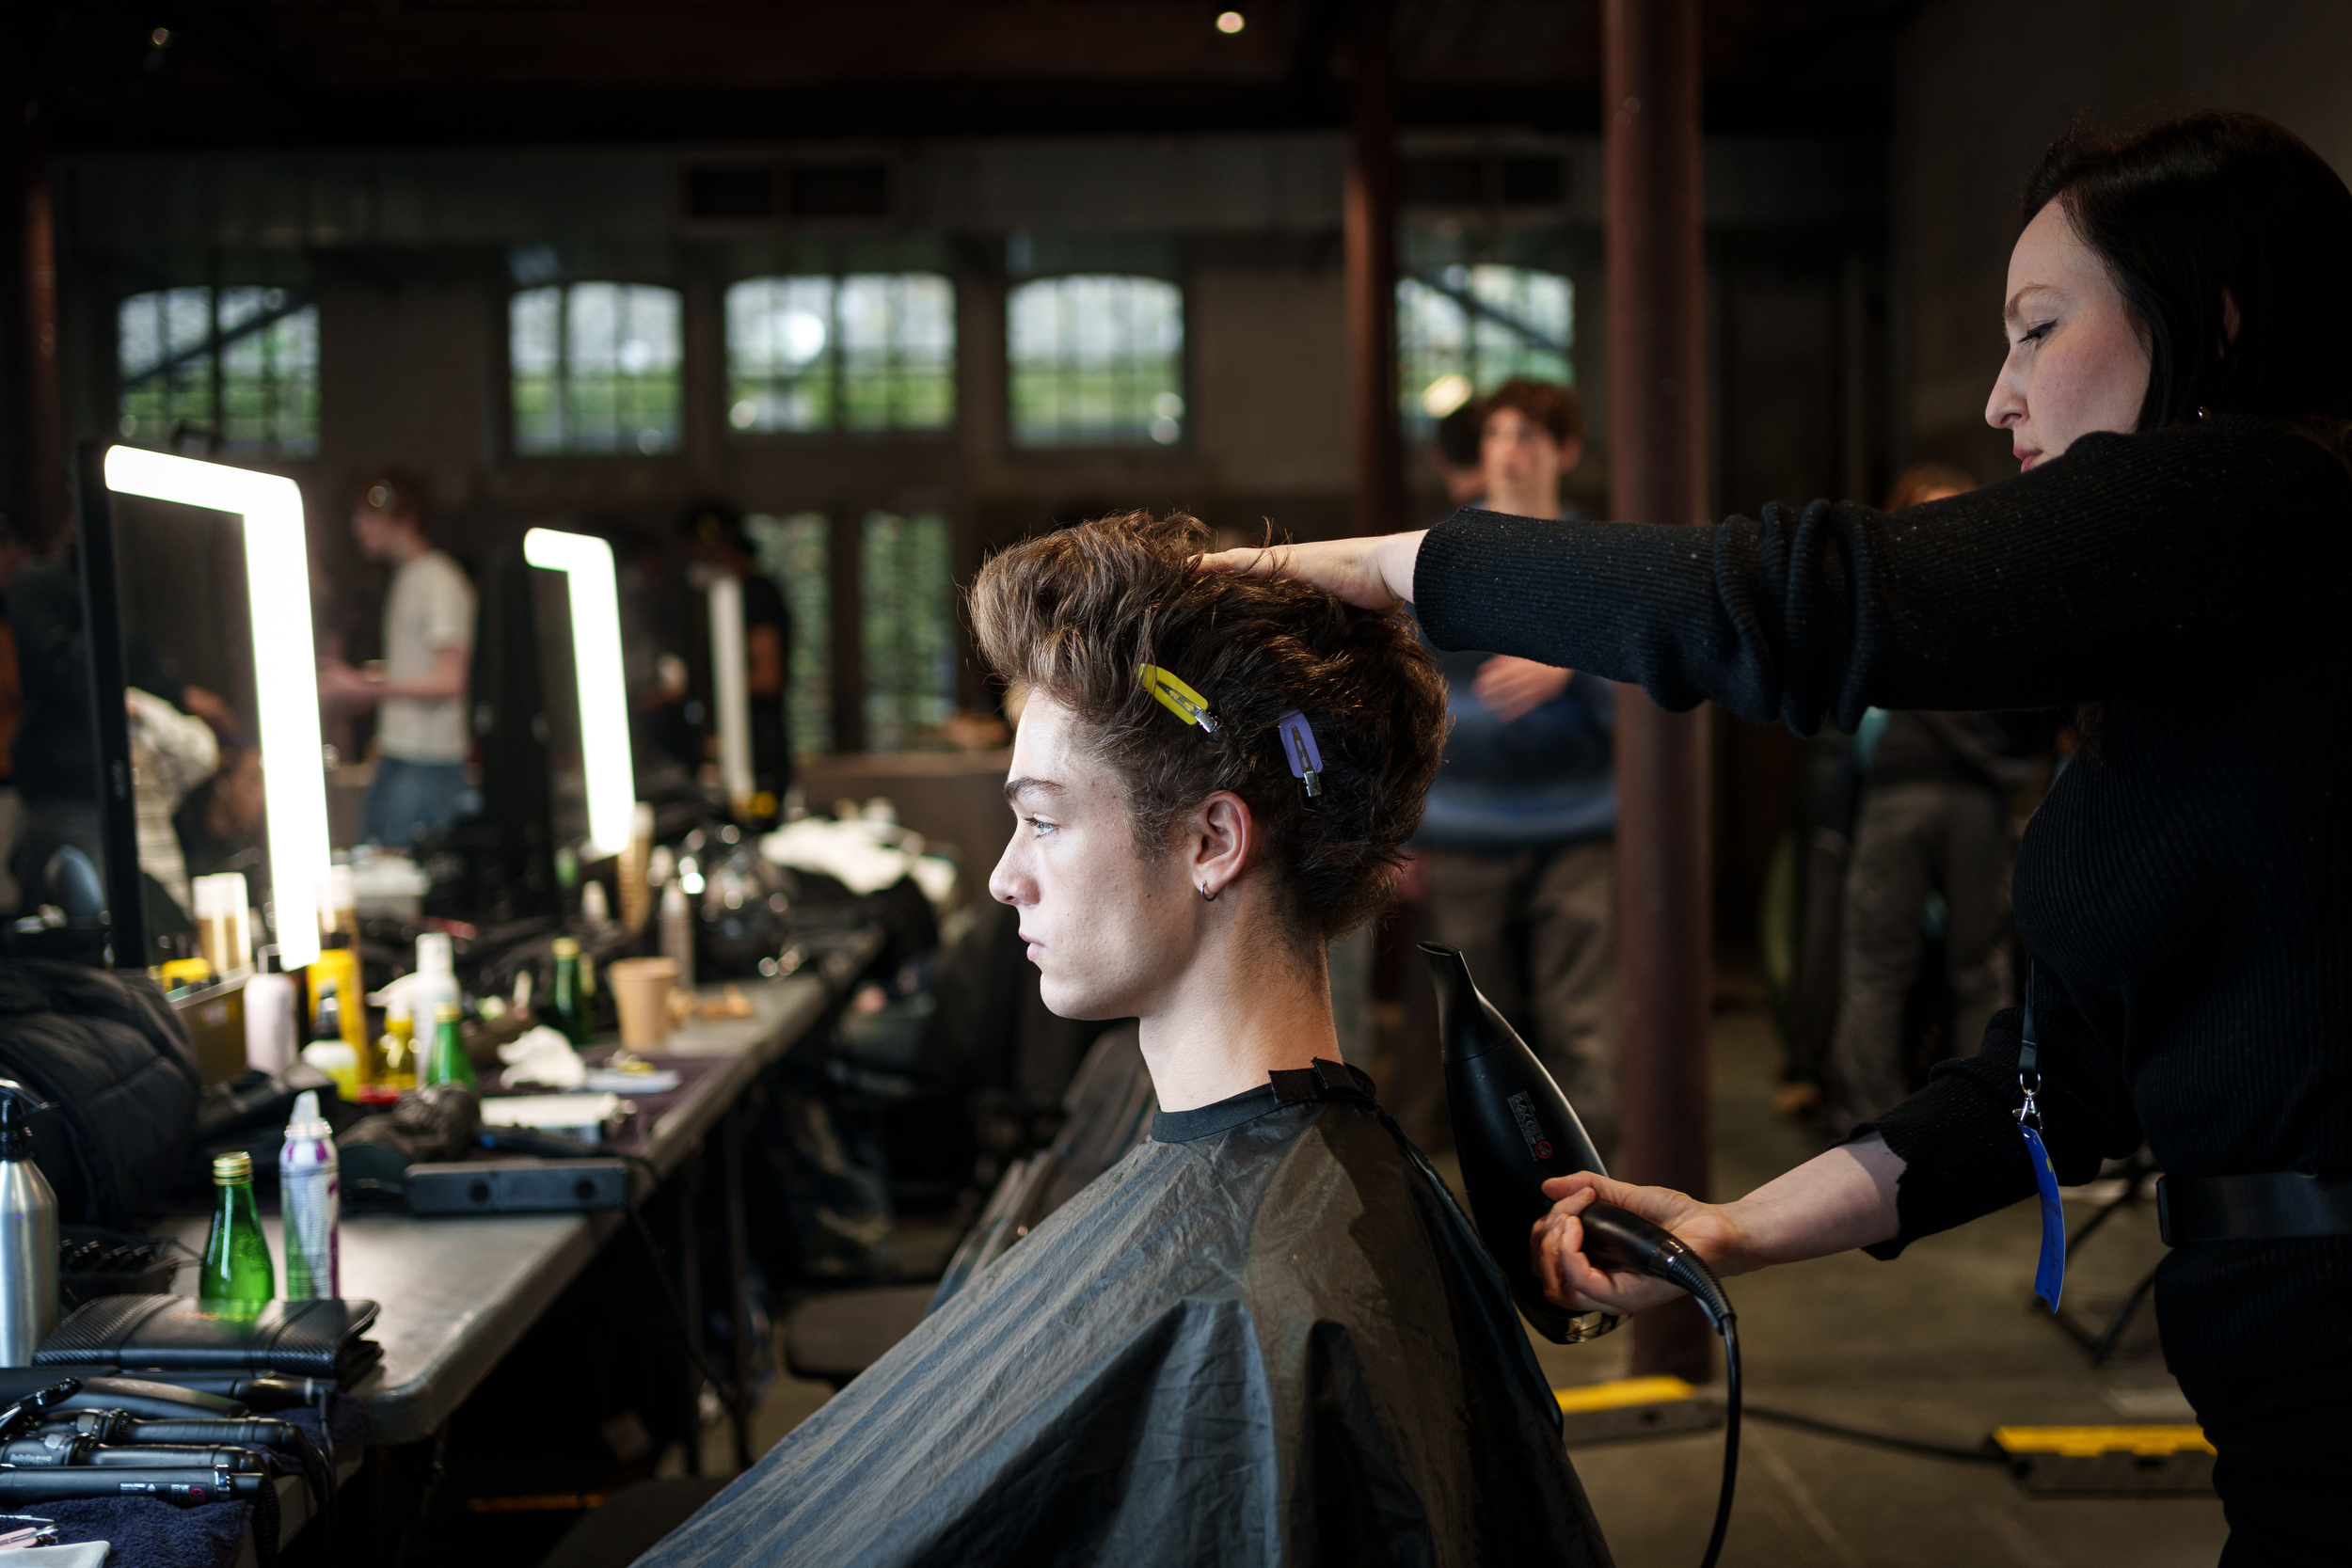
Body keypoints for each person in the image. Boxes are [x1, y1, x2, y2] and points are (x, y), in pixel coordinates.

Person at [1207, 113, 2352, 1564]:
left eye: (2038, 330)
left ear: (2220, 322)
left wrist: (1379, 566)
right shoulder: (2195, 667)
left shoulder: (2275, 496)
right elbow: (2053, 1082)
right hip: (2279, 1378)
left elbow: (1795, 602)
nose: (2003, 400)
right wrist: (1736, 1224)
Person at [637, 511, 1610, 1567]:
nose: (1005, 875)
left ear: (1210, 839)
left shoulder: (1262, 1310)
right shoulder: (1324, 1218)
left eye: (1043, 818)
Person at [1406, 377, 1620, 1160]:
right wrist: (1401, 829)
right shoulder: (1440, 557)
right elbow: (1403, 697)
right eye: (1498, 434)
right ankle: (1491, 1193)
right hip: (1465, 827)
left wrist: (1574, 665)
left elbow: (1652, 690)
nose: (1510, 450)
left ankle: (1593, 1189)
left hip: (1578, 822)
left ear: (1565, 452)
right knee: (1475, 1023)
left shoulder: (1601, 558)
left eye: (1530, 434)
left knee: (1582, 1021)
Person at [1824, 462, 2054, 1129]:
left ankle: (1873, 1123)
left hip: (1913, 792)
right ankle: (1979, 1125)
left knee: (1886, 963)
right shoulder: (2000, 602)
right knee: (1972, 968)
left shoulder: (1881, 596)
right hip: (1965, 796)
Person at [318, 473, 477, 848]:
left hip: (428, 762)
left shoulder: (438, 580)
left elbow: (451, 679)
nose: (358, 527)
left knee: (398, 881)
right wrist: (364, 687)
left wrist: (365, 687)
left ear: (405, 520)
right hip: (400, 754)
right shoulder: (409, 578)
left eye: (370, 517)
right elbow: (422, 671)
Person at [676, 501, 792, 809]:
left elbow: (767, 677)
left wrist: (701, 691)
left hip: (759, 753)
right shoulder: (721, 595)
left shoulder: (755, 595)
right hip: (736, 751)